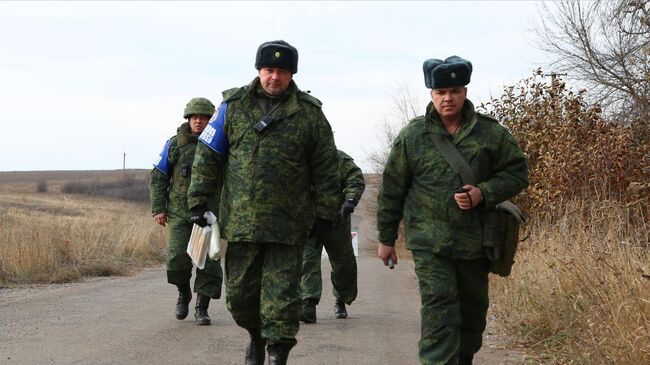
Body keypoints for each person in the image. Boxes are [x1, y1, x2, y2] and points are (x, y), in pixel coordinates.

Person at [187, 40, 340, 365]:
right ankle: (256, 338)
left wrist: (325, 214)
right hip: (241, 226)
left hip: (289, 227)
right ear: (259, 71)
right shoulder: (232, 106)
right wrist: (199, 200)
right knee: (241, 298)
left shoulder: (310, 114)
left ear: (291, 74)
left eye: (282, 72)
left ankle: (276, 353)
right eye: (269, 70)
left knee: (282, 301)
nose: (274, 77)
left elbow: (327, 168)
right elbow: (208, 155)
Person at [376, 56, 529, 365]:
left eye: (455, 90)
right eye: (440, 92)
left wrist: (482, 193)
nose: (448, 98)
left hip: (475, 243)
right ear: (431, 94)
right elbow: (392, 189)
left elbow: (517, 173)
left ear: (465, 92)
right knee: (440, 311)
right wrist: (386, 238)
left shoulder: (490, 134)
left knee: (472, 315)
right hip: (430, 243)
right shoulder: (413, 136)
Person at [150, 97, 224, 326]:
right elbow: (159, 176)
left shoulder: (221, 144)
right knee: (176, 260)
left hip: (209, 213)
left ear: (212, 119)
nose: (199, 122)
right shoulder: (175, 144)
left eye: (204, 117)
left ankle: (202, 308)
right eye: (195, 118)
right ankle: (184, 292)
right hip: (180, 211)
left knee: (209, 263)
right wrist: (159, 208)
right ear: (188, 119)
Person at [300, 149, 365, 323]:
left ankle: (341, 298)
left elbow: (355, 179)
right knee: (307, 262)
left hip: (336, 220)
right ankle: (308, 304)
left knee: (344, 265)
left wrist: (350, 200)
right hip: (309, 221)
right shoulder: (300, 158)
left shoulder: (339, 159)